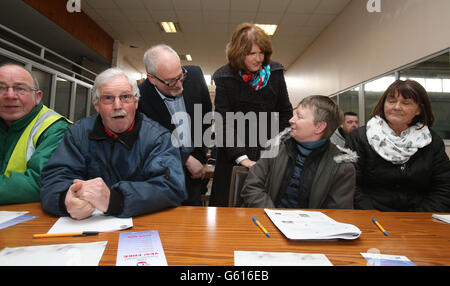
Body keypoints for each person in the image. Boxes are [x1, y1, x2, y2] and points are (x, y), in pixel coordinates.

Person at [40, 68, 187, 219]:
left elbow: (171, 187)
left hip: (142, 228)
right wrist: (66, 199)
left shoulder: (159, 138)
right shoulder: (77, 135)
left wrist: (115, 200)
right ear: (97, 105)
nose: (118, 106)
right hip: (85, 229)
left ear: (136, 103)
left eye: (125, 97)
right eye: (108, 98)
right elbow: (52, 181)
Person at [209, 23, 293, 206]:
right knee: (229, 209)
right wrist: (242, 158)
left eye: (261, 52)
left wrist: (276, 144)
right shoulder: (224, 77)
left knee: (267, 209)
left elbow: (286, 112)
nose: (258, 59)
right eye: (251, 54)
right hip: (233, 154)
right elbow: (224, 123)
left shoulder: (275, 73)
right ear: (239, 54)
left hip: (267, 151)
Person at [346, 79, 450, 212]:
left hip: (421, 219)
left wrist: (421, 217)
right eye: (391, 101)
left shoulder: (431, 141)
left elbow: (444, 186)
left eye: (406, 103)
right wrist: (372, 215)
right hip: (371, 218)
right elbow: (351, 185)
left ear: (419, 109)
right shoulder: (360, 137)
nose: (396, 107)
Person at [241, 95, 357, 208]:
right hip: (265, 220)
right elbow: (252, 186)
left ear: (319, 127)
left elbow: (337, 212)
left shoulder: (342, 167)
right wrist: (273, 215)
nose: (291, 120)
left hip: (311, 226)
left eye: (299, 117)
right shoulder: (275, 146)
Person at [138, 44, 212, 206]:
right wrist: (185, 158)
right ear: (152, 78)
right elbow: (148, 140)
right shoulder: (140, 98)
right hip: (160, 177)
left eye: (180, 76)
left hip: (195, 173)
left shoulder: (195, 75)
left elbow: (206, 113)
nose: (179, 85)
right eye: (171, 82)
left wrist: (199, 153)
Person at [0, 63, 70, 205]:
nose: (10, 95)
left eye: (20, 89)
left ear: (37, 97)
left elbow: (41, 181)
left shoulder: (55, 128)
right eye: (1, 88)